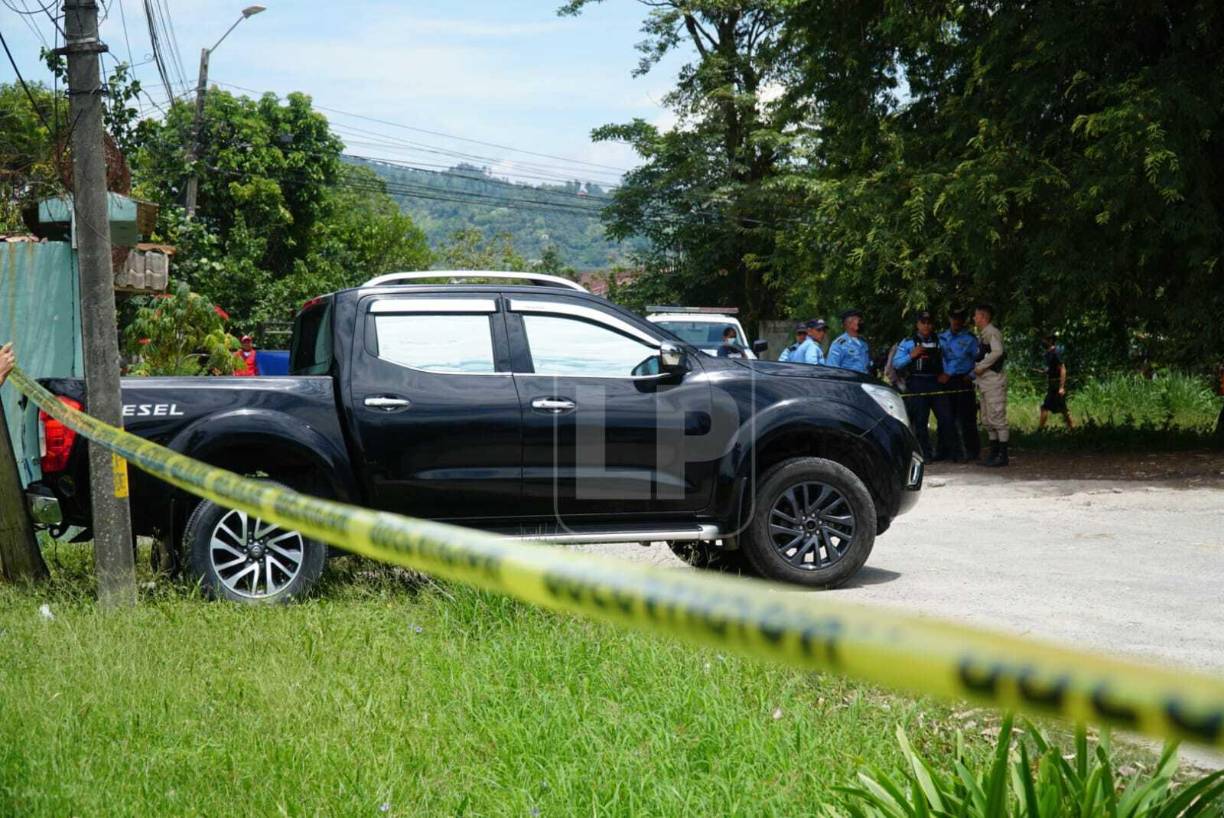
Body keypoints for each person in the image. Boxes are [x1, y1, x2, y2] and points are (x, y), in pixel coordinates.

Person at [892, 311, 958, 461]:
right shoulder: (908, 342)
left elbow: (953, 359)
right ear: (917, 324)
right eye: (923, 322)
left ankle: (948, 452)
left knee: (946, 418)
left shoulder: (941, 341)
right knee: (920, 421)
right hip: (916, 383)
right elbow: (896, 363)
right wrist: (912, 355)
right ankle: (924, 454)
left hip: (936, 382)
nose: (926, 326)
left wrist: (948, 373)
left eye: (929, 323)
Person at [939, 307, 981, 460]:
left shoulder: (970, 339)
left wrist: (971, 375)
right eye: (953, 318)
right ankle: (948, 451)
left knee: (967, 418)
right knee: (946, 418)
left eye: (959, 318)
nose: (956, 321)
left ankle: (971, 452)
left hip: (963, 380)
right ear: (949, 319)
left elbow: (980, 360)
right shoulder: (941, 337)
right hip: (945, 381)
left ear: (964, 320)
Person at [973, 304, 1009, 467]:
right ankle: (993, 453)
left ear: (983, 317)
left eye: (976, 316)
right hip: (985, 383)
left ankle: (1003, 455)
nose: (974, 319)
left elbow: (997, 352)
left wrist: (981, 366)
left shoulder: (992, 333)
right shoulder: (984, 334)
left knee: (997, 417)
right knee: (987, 419)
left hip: (993, 381)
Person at [1038, 335, 1074, 430]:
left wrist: (1061, 387)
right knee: (1062, 409)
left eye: (1045, 339)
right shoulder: (1048, 354)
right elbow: (1054, 369)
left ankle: (1040, 430)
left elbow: (1062, 369)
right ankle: (1073, 429)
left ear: (1050, 340)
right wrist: (1046, 371)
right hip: (1052, 385)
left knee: (1045, 407)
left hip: (1057, 386)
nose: (1043, 341)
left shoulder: (1055, 352)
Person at [826, 308, 870, 373]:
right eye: (859, 320)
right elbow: (832, 368)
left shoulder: (863, 343)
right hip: (849, 382)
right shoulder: (839, 344)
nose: (861, 323)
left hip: (864, 381)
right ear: (849, 323)